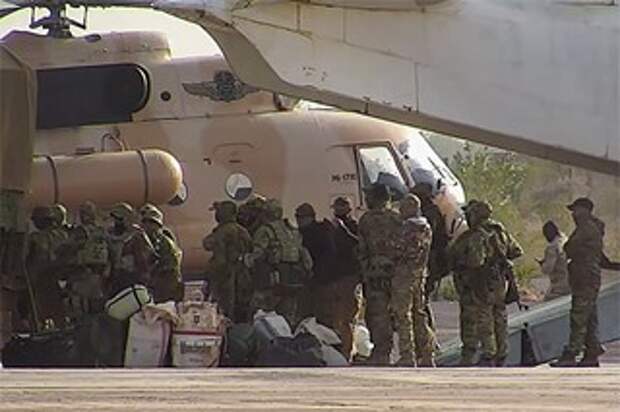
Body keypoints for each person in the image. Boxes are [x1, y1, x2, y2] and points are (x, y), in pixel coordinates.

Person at [551, 197, 605, 367]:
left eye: (576, 210)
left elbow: (569, 247)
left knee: (579, 316)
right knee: (589, 316)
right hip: (586, 276)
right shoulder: (591, 228)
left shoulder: (586, 229)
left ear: (585, 210)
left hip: (585, 276)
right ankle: (592, 351)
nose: (574, 214)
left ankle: (571, 352)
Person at [246, 198, 312, 328]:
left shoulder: (265, 230)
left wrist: (246, 260)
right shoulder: (292, 230)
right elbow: (304, 255)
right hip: (293, 281)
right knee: (287, 318)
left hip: (271, 281)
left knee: (259, 315)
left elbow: (257, 255)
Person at [357, 183, 402, 365]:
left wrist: (364, 272)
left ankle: (382, 353)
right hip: (396, 274)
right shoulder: (398, 219)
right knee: (402, 314)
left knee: (378, 314)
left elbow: (362, 250)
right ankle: (414, 352)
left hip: (375, 275)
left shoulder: (367, 220)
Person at [392, 194, 436, 366]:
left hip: (404, 276)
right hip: (420, 275)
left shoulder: (408, 228)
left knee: (403, 316)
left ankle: (407, 355)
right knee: (420, 315)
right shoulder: (425, 226)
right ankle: (427, 355)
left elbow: (398, 250)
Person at [479, 201, 523, 367]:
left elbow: (476, 260)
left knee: (485, 315)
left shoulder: (479, 232)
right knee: (500, 315)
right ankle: (502, 352)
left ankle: (488, 353)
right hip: (501, 278)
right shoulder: (500, 230)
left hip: (486, 278)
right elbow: (516, 251)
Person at [449, 200, 491, 366]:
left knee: (472, 321)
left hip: (473, 283)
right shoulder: (494, 232)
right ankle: (489, 353)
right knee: (486, 318)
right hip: (481, 283)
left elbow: (476, 262)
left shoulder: (474, 237)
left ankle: (475, 354)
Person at [203, 201, 253, 322]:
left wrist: (211, 276)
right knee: (240, 306)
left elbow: (208, 245)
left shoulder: (222, 232)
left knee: (223, 310)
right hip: (242, 275)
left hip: (224, 276)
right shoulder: (243, 231)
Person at [26, 205, 68, 329]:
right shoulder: (63, 235)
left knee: (38, 312)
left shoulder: (35, 238)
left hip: (41, 280)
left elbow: (25, 257)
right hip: (58, 279)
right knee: (58, 312)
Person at [330, 197, 362, 357]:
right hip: (336, 276)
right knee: (337, 316)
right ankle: (341, 350)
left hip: (349, 276)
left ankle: (347, 352)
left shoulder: (353, 227)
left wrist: (343, 230)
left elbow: (357, 245)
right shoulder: (333, 228)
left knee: (347, 317)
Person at [105, 203, 155, 298]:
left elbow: (149, 257)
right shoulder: (110, 234)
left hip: (133, 278)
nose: (116, 222)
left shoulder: (137, 235)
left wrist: (143, 276)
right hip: (116, 277)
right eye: (115, 218)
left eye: (119, 219)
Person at [142, 206, 183, 303]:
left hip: (166, 287)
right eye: (145, 222)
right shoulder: (152, 240)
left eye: (150, 223)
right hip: (159, 285)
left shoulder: (164, 243)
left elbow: (168, 267)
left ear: (157, 225)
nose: (146, 226)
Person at [539, 220, 570, 301]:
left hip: (560, 285)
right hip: (572, 279)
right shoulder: (565, 239)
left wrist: (542, 264)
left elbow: (547, 269)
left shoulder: (552, 247)